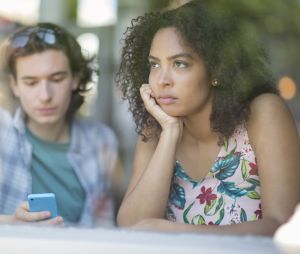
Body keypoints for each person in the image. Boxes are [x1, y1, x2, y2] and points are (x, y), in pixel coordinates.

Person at [116, 0, 300, 236]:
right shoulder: (157, 128)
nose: (162, 80)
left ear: (217, 69)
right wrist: (170, 134)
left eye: (179, 64)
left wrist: (182, 234)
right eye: (154, 65)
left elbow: (285, 227)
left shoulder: (263, 113)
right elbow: (132, 226)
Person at [0, 22, 119, 227]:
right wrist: (12, 223)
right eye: (31, 82)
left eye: (56, 79)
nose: (45, 96)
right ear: (15, 85)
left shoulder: (102, 140)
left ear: (75, 79)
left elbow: (105, 227)